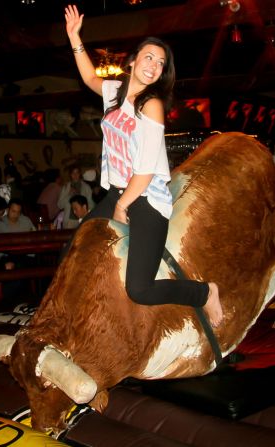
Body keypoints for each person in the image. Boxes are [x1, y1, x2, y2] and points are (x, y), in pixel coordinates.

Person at [64, 4, 222, 327]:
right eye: (149, 57)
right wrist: (74, 39)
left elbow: (146, 169)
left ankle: (204, 293)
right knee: (72, 250)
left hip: (146, 199)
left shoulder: (151, 105)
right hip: (117, 192)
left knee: (140, 288)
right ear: (133, 60)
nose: (154, 66)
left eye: (161, 63)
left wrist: (123, 205)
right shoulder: (115, 92)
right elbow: (91, 77)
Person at [57, 164, 94, 229]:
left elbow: (90, 204)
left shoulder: (86, 187)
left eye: (77, 173)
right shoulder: (66, 187)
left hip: (83, 220)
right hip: (69, 221)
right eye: (73, 173)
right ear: (70, 175)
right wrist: (69, 195)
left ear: (80, 174)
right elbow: (60, 205)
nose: (75, 175)